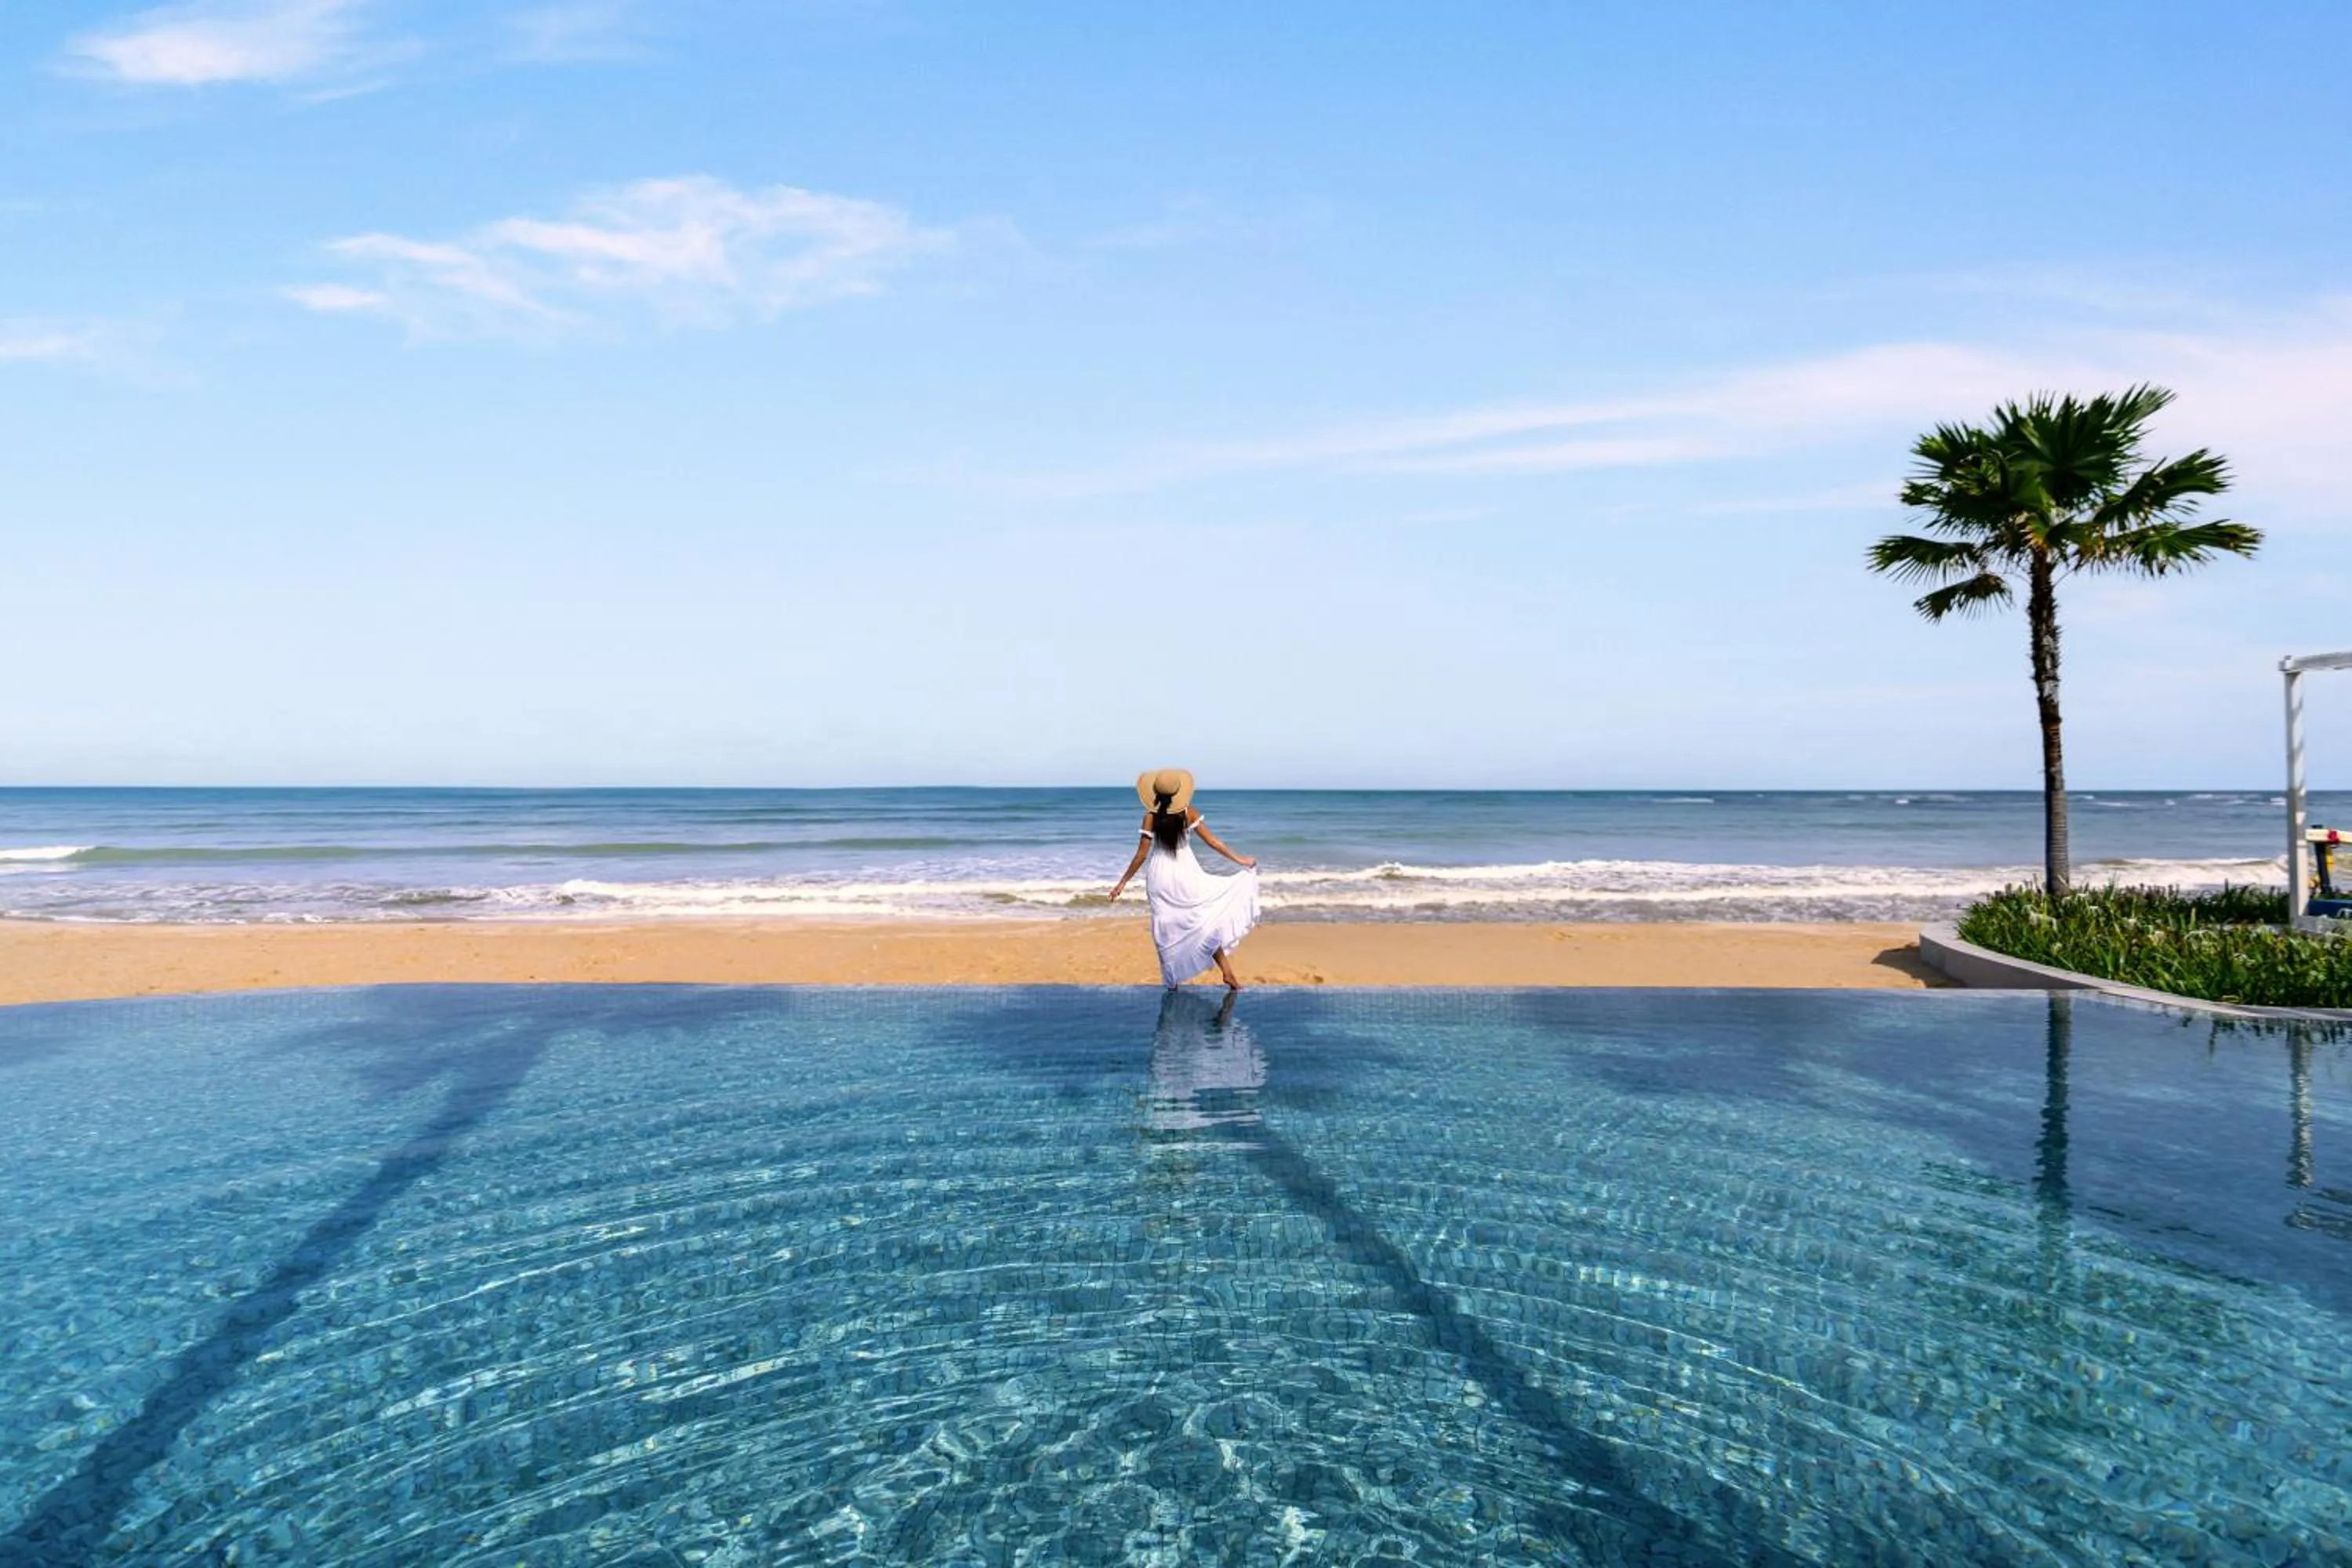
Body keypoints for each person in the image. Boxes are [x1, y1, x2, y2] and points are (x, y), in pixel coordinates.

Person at [1107, 767, 1259, 990]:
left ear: (1155, 793)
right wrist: (1240, 860)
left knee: (1164, 928)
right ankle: (1227, 973)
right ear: (1179, 793)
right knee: (1202, 923)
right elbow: (1214, 843)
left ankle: (1172, 983)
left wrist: (1122, 883)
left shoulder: (1150, 817)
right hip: (1186, 872)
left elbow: (1141, 855)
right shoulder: (1189, 813)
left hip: (1161, 876)